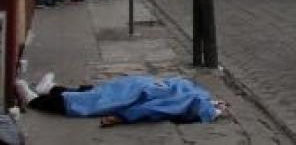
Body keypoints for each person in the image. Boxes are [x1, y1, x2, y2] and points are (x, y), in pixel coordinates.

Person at [16, 74, 225, 124]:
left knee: (94, 101)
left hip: (134, 94)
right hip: (140, 86)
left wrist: (121, 117)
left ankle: (33, 100)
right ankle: (52, 89)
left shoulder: (183, 103)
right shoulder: (195, 96)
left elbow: (147, 110)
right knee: (98, 93)